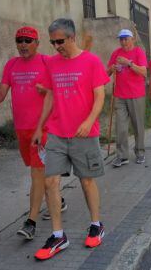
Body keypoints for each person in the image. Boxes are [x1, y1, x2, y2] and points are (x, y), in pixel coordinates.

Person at [32, 18, 109, 260]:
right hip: (57, 132)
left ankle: (96, 224)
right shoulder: (52, 64)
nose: (56, 46)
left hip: (84, 133)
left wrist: (88, 121)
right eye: (52, 42)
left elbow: (100, 96)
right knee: (50, 182)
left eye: (60, 41)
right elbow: (50, 97)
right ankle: (58, 235)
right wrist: (39, 127)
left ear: (72, 37)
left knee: (87, 181)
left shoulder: (91, 61)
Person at [0, 26, 66, 240]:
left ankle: (31, 222)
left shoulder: (47, 62)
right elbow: (3, 89)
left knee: (37, 175)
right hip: (22, 130)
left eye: (27, 41)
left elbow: (60, 88)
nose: (22, 44)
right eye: (19, 40)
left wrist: (48, 91)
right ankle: (57, 197)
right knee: (40, 172)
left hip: (44, 129)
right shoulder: (11, 64)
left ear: (37, 43)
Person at [107, 29, 148, 167]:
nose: (123, 41)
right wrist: (112, 68)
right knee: (121, 127)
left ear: (132, 39)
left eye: (126, 38)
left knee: (138, 126)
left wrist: (129, 63)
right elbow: (106, 73)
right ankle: (122, 155)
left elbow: (144, 72)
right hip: (120, 95)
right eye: (121, 39)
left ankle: (140, 152)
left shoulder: (138, 52)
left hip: (136, 95)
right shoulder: (116, 53)